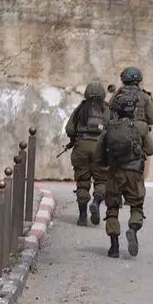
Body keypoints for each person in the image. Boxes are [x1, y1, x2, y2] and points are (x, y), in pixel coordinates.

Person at [96, 95, 153, 258]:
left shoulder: (110, 127)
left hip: (115, 173)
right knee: (136, 206)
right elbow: (151, 150)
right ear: (134, 110)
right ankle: (133, 229)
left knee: (112, 209)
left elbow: (98, 155)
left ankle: (114, 247)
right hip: (134, 174)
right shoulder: (141, 127)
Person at [64, 82, 111, 226]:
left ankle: (83, 216)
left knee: (83, 182)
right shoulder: (107, 109)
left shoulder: (81, 108)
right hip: (100, 148)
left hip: (81, 147)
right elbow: (112, 129)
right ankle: (96, 203)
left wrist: (74, 139)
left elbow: (70, 129)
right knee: (101, 181)